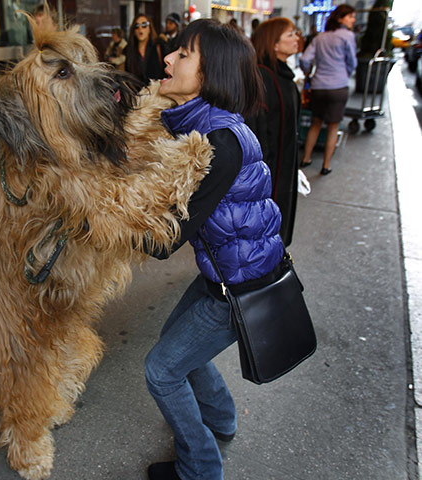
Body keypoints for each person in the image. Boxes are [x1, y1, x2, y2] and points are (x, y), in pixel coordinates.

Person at [143, 19, 285, 480]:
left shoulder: (217, 144)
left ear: (211, 74)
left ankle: (200, 469)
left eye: (183, 55)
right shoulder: (205, 126)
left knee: (161, 371)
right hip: (223, 275)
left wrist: (101, 219)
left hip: (240, 286)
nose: (167, 58)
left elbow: (164, 239)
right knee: (178, 349)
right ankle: (222, 420)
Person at [245, 17, 301, 247]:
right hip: (271, 170)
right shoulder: (263, 77)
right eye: (290, 34)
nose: (296, 38)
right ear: (274, 44)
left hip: (284, 164)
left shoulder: (283, 76)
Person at [299, 4, 356, 175]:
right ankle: (326, 165)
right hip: (338, 86)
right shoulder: (347, 36)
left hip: (319, 86)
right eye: (350, 16)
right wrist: (345, 73)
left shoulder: (320, 38)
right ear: (340, 18)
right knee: (333, 126)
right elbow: (352, 61)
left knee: (316, 123)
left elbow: (304, 59)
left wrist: (307, 72)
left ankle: (306, 158)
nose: (353, 19)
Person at [124, 14, 164, 86]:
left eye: (144, 25)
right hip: (137, 94)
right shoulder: (128, 50)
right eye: (136, 26)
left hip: (156, 93)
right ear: (134, 31)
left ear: (150, 28)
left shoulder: (160, 46)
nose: (140, 29)